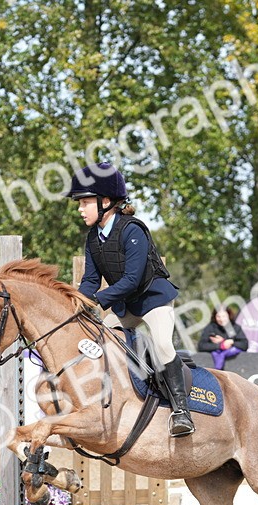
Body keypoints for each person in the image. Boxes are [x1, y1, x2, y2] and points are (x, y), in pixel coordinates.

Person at [66, 162, 193, 437]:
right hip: (127, 305)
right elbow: (90, 279)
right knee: (100, 342)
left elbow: (132, 280)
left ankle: (181, 411)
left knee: (161, 344)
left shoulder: (133, 230)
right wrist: (78, 303)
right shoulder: (93, 237)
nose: (80, 209)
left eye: (85, 202)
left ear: (106, 201)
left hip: (153, 299)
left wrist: (97, 301)